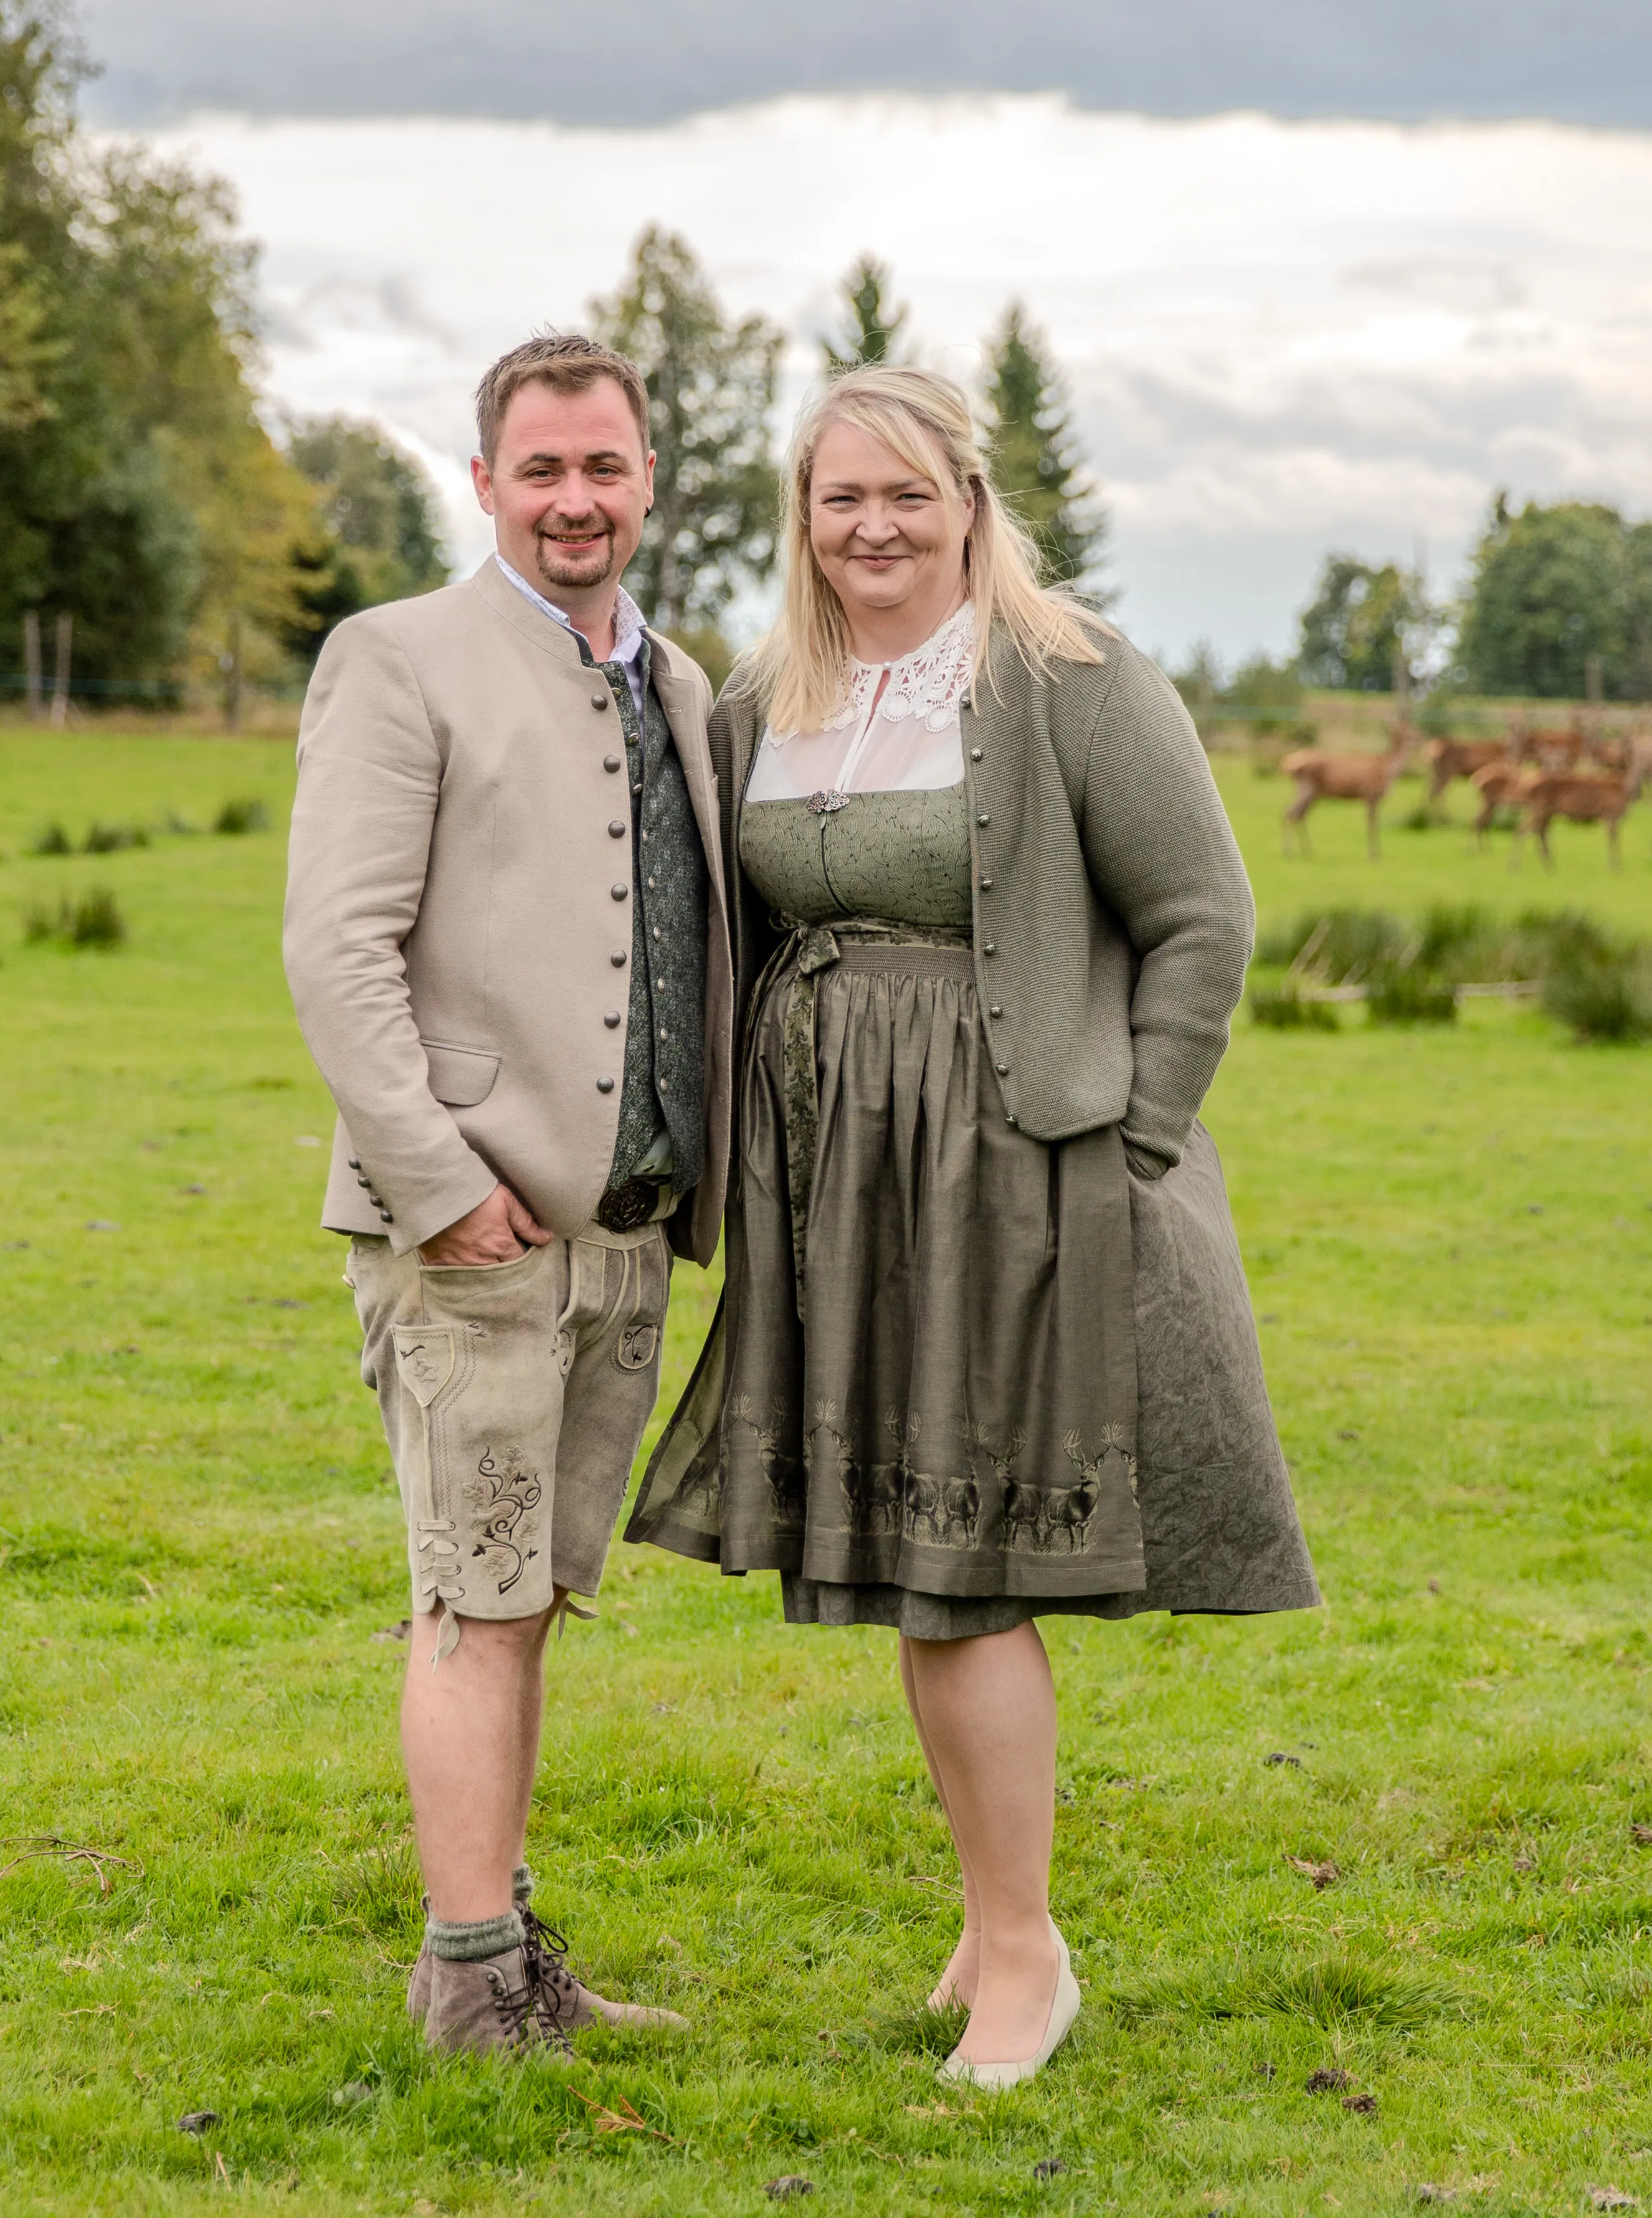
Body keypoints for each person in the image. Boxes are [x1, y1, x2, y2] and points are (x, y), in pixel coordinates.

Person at [629, 363, 1316, 2089]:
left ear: (969, 506)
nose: (874, 528)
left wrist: (1132, 1135)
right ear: (803, 519)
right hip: (841, 1184)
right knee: (911, 1561)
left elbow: (1208, 914)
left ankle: (1024, 1955)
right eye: (841, 498)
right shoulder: (764, 699)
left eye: (906, 495)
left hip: (1019, 1174)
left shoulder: (1068, 677)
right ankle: (994, 1916)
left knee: (966, 1578)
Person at [282, 333, 735, 2055]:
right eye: (540, 469)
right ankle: (472, 1987)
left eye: (604, 466)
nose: (574, 499)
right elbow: (336, 948)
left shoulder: (680, 684)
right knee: (471, 1605)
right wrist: (436, 1186)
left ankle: (503, 1956)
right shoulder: (397, 658)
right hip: (472, 1235)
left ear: (648, 481)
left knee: (528, 1598)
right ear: (484, 484)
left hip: (622, 1239)